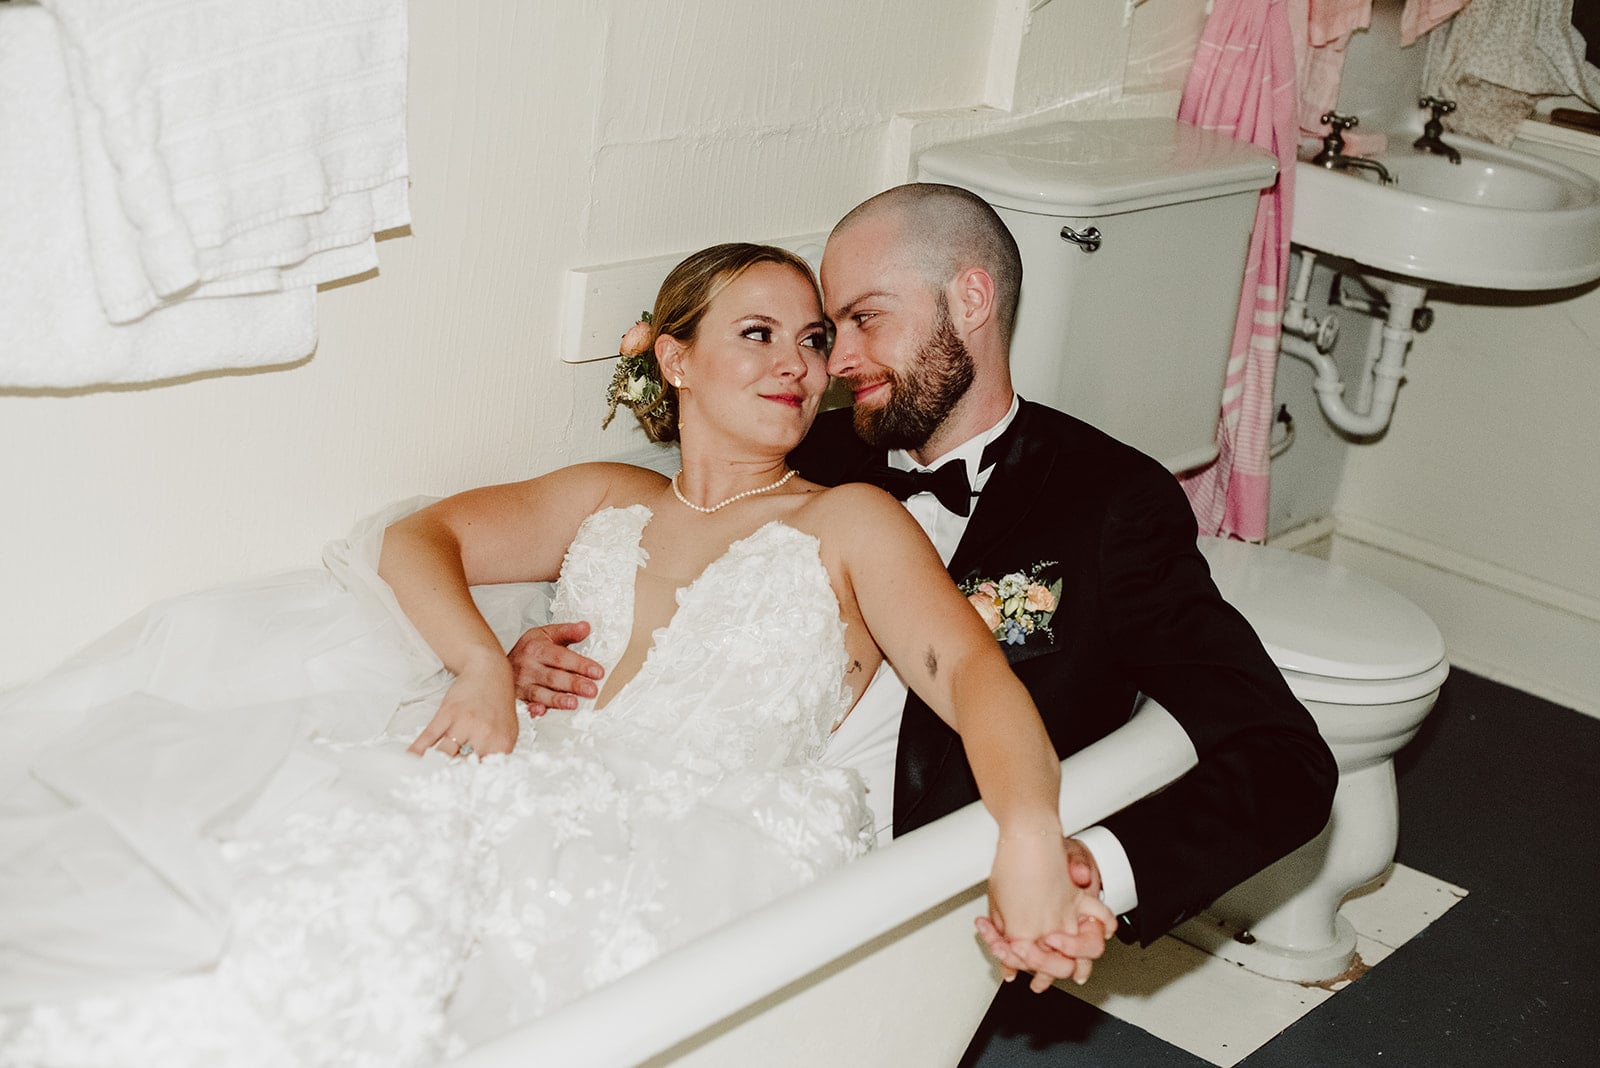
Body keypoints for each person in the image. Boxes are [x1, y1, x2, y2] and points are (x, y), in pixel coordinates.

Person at [0, 242, 1109, 1066]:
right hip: (526, 778)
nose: (796, 365)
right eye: (757, 334)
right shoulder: (607, 496)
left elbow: (973, 675)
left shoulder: (849, 520)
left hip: (700, 841)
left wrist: (1026, 833)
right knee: (281, 911)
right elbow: (413, 539)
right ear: (675, 357)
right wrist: (483, 665)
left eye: (813, 340)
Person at [509, 185, 1340, 992]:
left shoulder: (1108, 503)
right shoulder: (800, 445)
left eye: (865, 319)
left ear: (970, 299)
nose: (834, 363)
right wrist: (559, 652)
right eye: (830, 331)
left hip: (914, 883)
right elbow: (674, 583)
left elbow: (1283, 758)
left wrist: (1092, 862)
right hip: (705, 826)